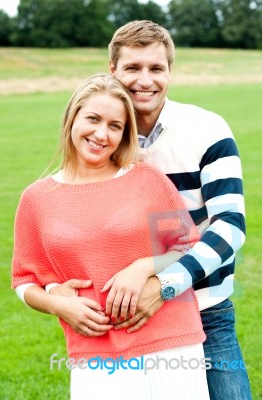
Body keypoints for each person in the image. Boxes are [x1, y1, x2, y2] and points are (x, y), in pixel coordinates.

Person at [12, 74, 210, 399]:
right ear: (72, 116)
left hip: (171, 342)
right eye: (93, 118)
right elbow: (24, 280)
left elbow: (188, 247)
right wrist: (56, 305)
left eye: (115, 126)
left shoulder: (146, 180)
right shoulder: (36, 198)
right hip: (94, 351)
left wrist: (144, 267)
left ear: (125, 133)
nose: (101, 134)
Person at [106, 20, 251, 400]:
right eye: (132, 68)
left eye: (156, 68)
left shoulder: (207, 129)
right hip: (132, 312)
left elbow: (230, 228)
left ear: (170, 71)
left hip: (207, 311)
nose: (144, 80)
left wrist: (164, 285)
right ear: (113, 71)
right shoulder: (100, 138)